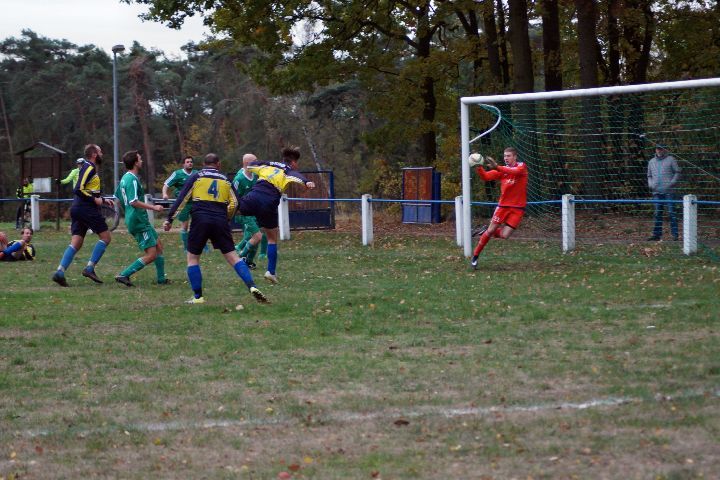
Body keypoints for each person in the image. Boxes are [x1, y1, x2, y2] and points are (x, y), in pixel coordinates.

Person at [163, 153, 268, 304]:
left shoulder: (197, 176)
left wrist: (169, 219)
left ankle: (198, 297)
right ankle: (252, 286)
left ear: (203, 164)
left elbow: (182, 199)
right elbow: (235, 203)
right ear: (218, 164)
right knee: (233, 257)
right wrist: (227, 218)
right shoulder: (225, 179)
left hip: (200, 219)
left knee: (193, 258)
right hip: (220, 220)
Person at [240, 146, 316, 284]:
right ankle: (271, 272)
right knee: (272, 239)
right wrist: (307, 182)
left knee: (232, 210)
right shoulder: (289, 171)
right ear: (293, 162)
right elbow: (298, 177)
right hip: (268, 203)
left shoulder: (267, 165)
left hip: (253, 197)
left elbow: (251, 165)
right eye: (297, 163)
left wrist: (263, 163)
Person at [51, 144, 114, 287]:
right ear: (94, 154)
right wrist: (95, 200)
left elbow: (89, 190)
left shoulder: (89, 168)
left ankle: (60, 272)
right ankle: (89, 268)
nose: (102, 153)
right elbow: (78, 189)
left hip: (78, 208)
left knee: (76, 242)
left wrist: (103, 199)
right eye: (100, 151)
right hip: (86, 208)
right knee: (106, 237)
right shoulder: (89, 167)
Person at [114, 150, 168, 287]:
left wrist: (128, 213)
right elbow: (133, 202)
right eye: (140, 159)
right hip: (138, 221)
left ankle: (161, 279)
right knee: (151, 254)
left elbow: (117, 198)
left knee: (158, 245)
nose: (142, 161)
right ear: (135, 163)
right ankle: (124, 274)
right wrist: (154, 207)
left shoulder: (125, 178)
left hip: (138, 219)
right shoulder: (132, 179)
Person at [470, 147, 528, 269]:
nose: (506, 158)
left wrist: (497, 166)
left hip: (518, 208)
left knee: (505, 235)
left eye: (508, 156)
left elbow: (515, 172)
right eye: (505, 156)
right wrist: (478, 167)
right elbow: (486, 177)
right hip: (503, 207)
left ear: (515, 157)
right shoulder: (502, 171)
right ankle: (475, 256)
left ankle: (485, 231)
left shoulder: (521, 166)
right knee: (491, 231)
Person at [232, 153, 268, 269]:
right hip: (243, 213)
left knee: (255, 238)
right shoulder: (239, 179)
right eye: (255, 160)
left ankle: (248, 261)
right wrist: (237, 211)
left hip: (254, 211)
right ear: (248, 163)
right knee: (257, 236)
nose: (258, 162)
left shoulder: (255, 175)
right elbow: (232, 197)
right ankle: (239, 259)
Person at [162, 156, 198, 251]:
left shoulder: (196, 173)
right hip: (183, 203)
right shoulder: (177, 174)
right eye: (187, 162)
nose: (190, 163)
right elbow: (166, 184)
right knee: (185, 225)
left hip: (195, 202)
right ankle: (186, 248)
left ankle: (202, 246)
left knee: (198, 224)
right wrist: (165, 194)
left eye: (191, 162)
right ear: (183, 164)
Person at [647, 144, 681, 241]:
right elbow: (649, 175)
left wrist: (672, 183)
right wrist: (651, 184)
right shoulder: (651, 162)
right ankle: (656, 235)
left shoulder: (671, 159)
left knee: (671, 213)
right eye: (658, 149)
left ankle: (675, 235)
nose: (659, 150)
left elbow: (677, 172)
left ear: (664, 150)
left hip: (669, 192)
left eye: (661, 149)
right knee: (658, 213)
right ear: (655, 150)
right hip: (656, 192)